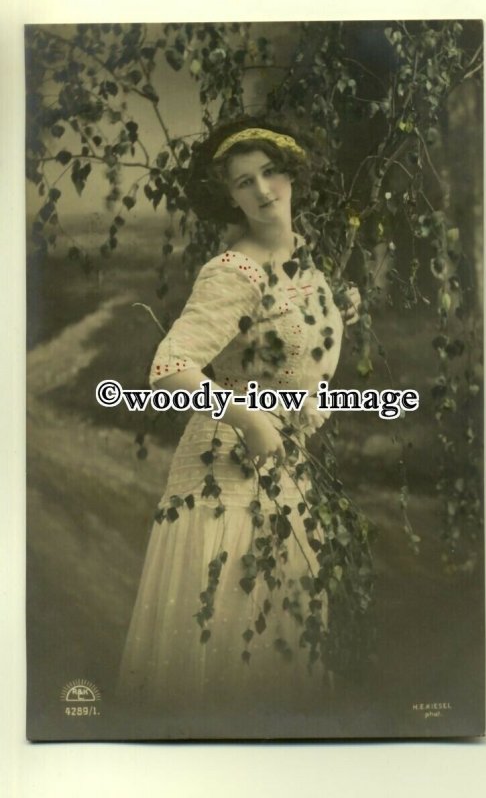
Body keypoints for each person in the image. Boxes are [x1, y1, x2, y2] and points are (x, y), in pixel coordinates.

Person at [118, 119, 361, 725]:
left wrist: (336, 319)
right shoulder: (234, 270)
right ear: (230, 196)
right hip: (221, 479)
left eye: (271, 172)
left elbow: (300, 368)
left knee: (282, 649)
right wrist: (248, 417)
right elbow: (170, 367)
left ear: (291, 174)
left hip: (290, 485)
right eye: (244, 182)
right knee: (223, 640)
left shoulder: (310, 268)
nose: (263, 190)